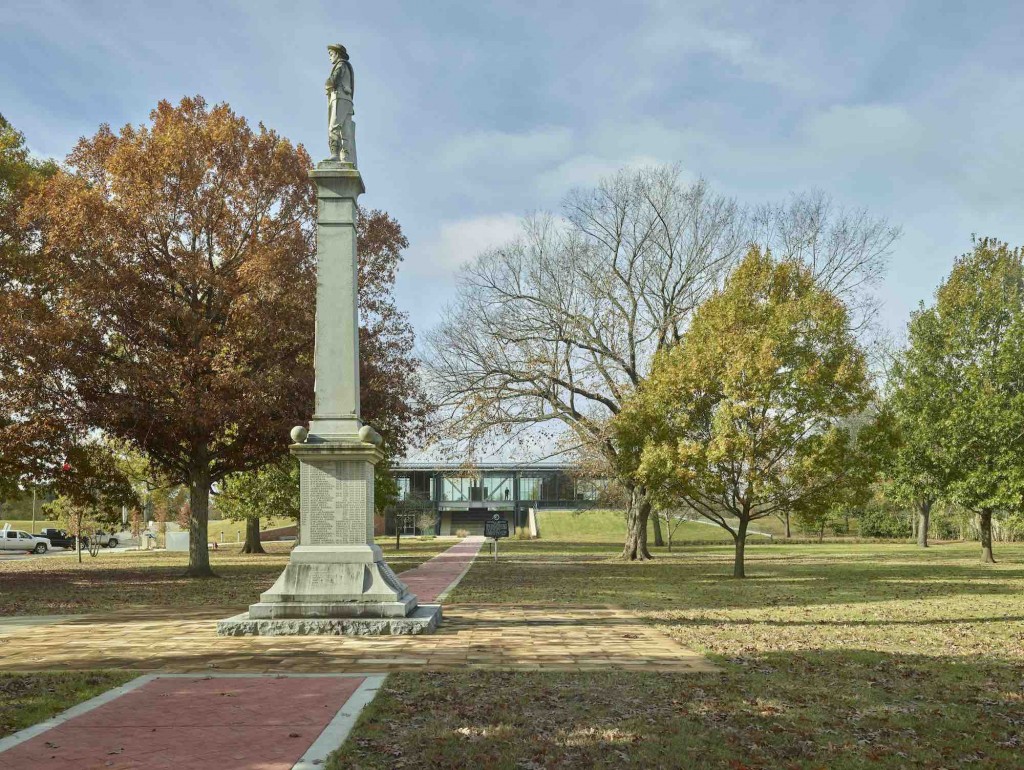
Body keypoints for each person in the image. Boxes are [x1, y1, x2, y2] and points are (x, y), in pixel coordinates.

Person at [325, 43, 356, 165]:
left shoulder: (341, 65)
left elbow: (332, 81)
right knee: (345, 130)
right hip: (347, 101)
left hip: (340, 98)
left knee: (334, 126)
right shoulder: (346, 66)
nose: (330, 57)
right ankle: (346, 157)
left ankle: (335, 154)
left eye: (331, 54)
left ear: (337, 54)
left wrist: (326, 84)